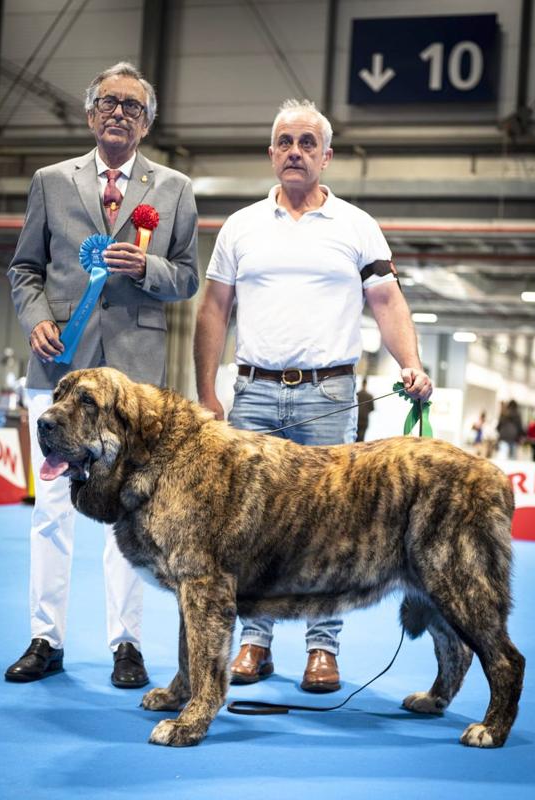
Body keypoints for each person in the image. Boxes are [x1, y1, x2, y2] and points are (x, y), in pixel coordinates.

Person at [193, 98, 433, 693]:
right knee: (247, 527)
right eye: (284, 142)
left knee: (330, 527)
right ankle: (254, 642)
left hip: (330, 395)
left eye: (307, 142)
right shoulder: (240, 227)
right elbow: (214, 310)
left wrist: (413, 365)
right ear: (271, 154)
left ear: (326, 156)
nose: (295, 151)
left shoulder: (358, 225)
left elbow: (387, 302)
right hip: (251, 394)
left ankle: (323, 650)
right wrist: (206, 392)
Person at [5, 62, 198, 687]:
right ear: (91, 115)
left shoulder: (173, 189)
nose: (120, 113)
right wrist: (35, 317)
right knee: (52, 509)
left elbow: (188, 276)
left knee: (132, 512)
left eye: (133, 106)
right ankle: (45, 638)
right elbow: (24, 269)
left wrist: (147, 270)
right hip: (59, 367)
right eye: (109, 103)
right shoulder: (49, 182)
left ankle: (127, 646)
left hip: (132, 387)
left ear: (147, 122)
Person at [356, 377, 374, 441]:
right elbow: (372, 408)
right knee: (361, 439)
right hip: (364, 420)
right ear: (366, 384)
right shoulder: (369, 396)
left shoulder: (357, 394)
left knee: (355, 438)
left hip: (356, 419)